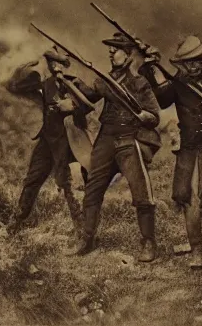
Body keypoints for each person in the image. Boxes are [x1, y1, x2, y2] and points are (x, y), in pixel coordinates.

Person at [66, 33, 163, 262]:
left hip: (129, 139)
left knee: (141, 192)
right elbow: (88, 96)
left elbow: (155, 116)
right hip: (106, 138)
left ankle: (148, 242)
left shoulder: (139, 83)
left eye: (116, 49)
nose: (111, 52)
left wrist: (143, 115)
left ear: (129, 55)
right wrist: (71, 83)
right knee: (92, 188)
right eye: (110, 48)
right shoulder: (105, 79)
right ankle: (87, 239)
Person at [141, 35, 202, 269]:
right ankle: (197, 252)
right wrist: (151, 66)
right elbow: (162, 100)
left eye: (194, 62)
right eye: (185, 64)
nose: (189, 68)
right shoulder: (179, 84)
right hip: (189, 148)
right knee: (187, 197)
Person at [4, 48, 92, 239]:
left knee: (68, 184)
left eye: (58, 62)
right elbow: (12, 84)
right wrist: (32, 62)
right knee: (32, 180)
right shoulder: (43, 84)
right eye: (51, 62)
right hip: (47, 140)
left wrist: (73, 106)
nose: (55, 66)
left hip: (68, 140)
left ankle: (82, 229)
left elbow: (89, 103)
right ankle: (16, 222)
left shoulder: (75, 83)